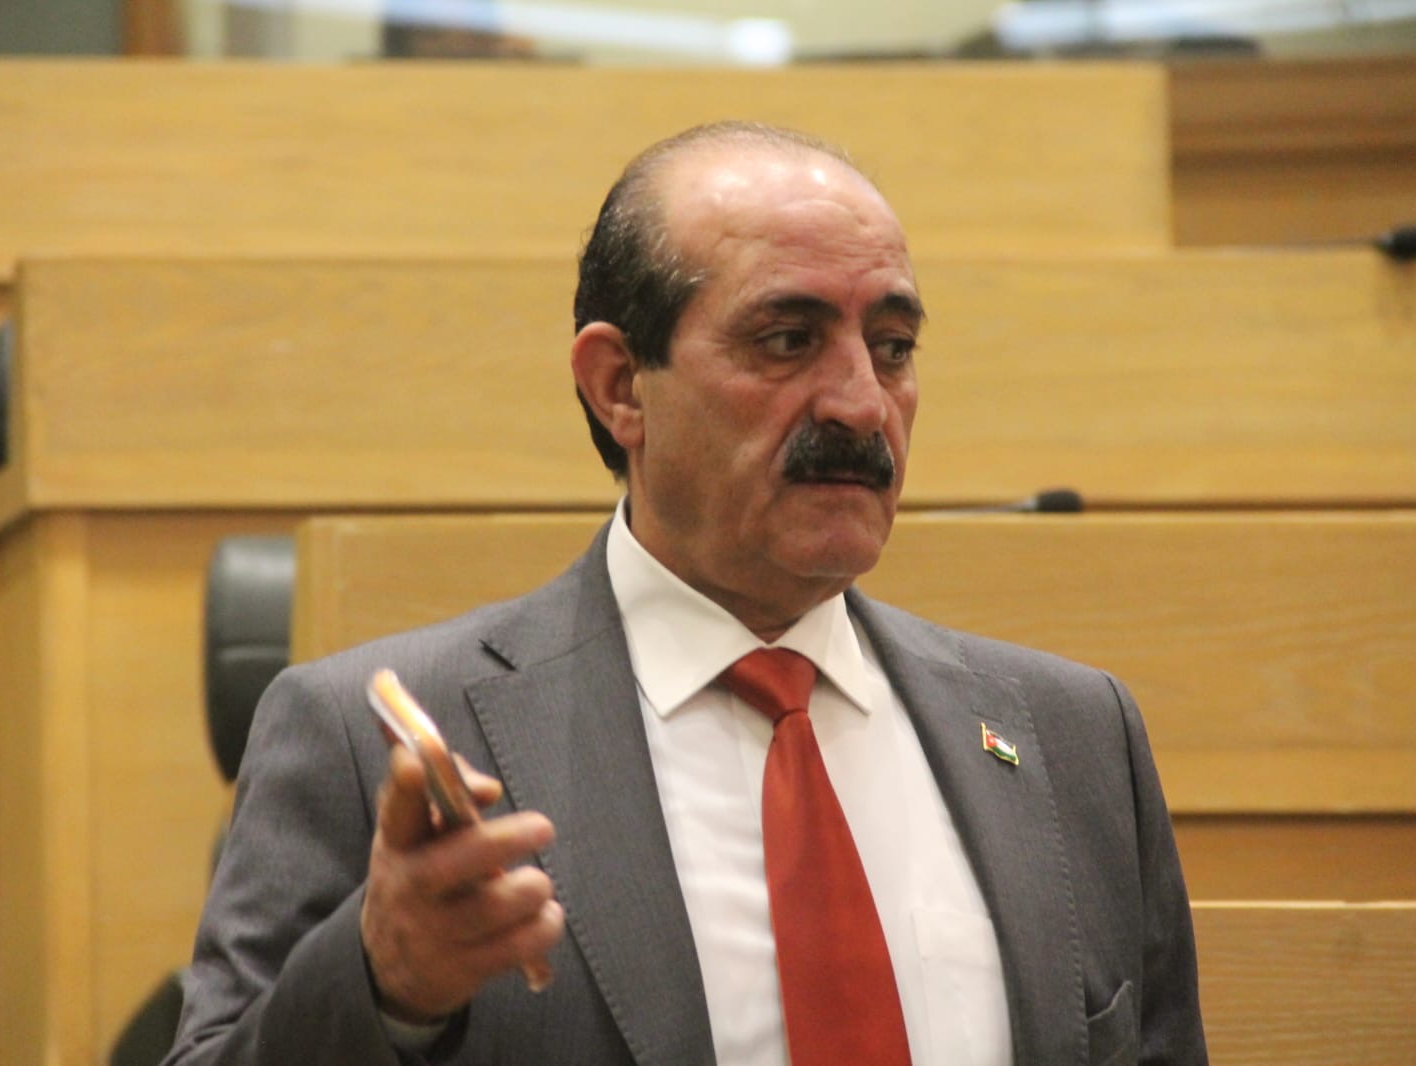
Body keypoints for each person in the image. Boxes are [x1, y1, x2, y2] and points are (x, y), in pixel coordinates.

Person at [162, 121, 1206, 1066]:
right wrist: (382, 986)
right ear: (619, 386)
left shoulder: (1074, 738)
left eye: (892, 348)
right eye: (787, 341)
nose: (861, 403)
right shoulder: (358, 738)